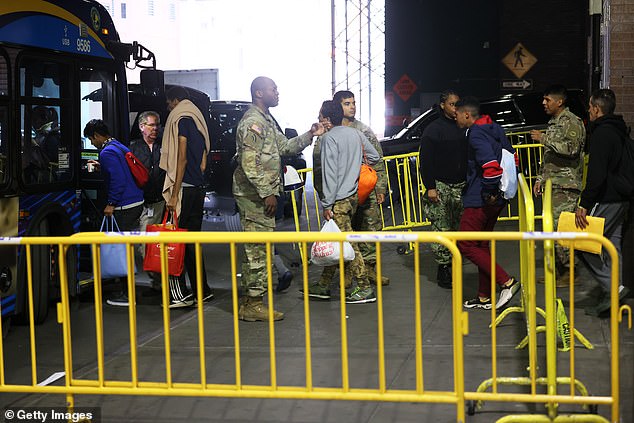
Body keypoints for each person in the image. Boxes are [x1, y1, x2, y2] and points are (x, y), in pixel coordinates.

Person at [233, 76, 324, 321]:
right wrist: (267, 193)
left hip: (261, 195)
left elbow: (284, 148)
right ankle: (252, 304)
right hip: (254, 196)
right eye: (273, 89)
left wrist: (309, 134)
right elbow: (249, 163)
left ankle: (251, 301)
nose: (277, 92)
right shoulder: (253, 122)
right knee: (256, 249)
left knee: (261, 248)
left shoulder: (267, 120)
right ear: (259, 93)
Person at [305, 100, 380, 304]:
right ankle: (323, 285)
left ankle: (364, 288)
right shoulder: (355, 133)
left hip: (337, 199)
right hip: (354, 196)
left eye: (321, 117)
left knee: (347, 243)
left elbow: (329, 174)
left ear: (328, 119)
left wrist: (326, 204)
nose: (319, 120)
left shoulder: (329, 139)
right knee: (336, 239)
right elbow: (374, 157)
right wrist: (354, 169)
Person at [454, 97, 520, 310]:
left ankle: (507, 282)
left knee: (465, 244)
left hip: (481, 197)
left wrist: (489, 191)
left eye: (457, 114)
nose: (455, 117)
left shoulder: (475, 133)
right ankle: (484, 297)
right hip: (499, 197)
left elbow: (491, 167)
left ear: (467, 115)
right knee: (481, 244)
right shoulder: (495, 127)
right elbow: (513, 158)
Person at [575, 88, 631, 316]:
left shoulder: (601, 134)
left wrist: (584, 203)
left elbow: (596, 174)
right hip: (623, 198)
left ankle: (614, 287)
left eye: (590, 107)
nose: (588, 111)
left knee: (583, 243)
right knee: (613, 244)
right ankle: (614, 290)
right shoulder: (620, 130)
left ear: (596, 109)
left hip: (608, 197)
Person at [160, 86, 213, 308]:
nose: (169, 108)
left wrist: (173, 194)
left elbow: (180, 159)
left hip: (184, 189)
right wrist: (199, 169)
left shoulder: (181, 119)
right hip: (198, 188)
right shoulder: (198, 118)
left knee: (174, 242)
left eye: (169, 103)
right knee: (192, 241)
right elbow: (202, 155)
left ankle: (179, 295)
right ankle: (203, 290)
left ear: (174, 100)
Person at [83, 119, 144, 307]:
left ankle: (128, 295)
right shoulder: (117, 145)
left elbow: (118, 180)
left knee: (122, 250)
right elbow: (122, 170)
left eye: (91, 140)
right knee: (125, 248)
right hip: (136, 201)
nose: (92, 143)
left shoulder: (107, 152)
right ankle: (127, 291)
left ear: (97, 136)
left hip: (124, 205)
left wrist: (110, 203)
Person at [530, 85, 586, 286]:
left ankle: (571, 274)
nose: (543, 103)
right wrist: (540, 179)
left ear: (559, 102)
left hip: (566, 185)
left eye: (547, 99)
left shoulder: (571, 122)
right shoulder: (555, 122)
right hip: (554, 183)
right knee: (552, 229)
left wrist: (543, 138)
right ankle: (560, 272)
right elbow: (550, 157)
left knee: (560, 229)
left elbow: (571, 149)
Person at [334, 90, 390, 286]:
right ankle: (348, 272)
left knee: (370, 229)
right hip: (343, 191)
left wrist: (380, 188)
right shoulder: (332, 130)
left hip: (366, 188)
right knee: (346, 232)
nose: (352, 107)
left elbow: (377, 160)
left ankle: (370, 269)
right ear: (337, 106)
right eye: (347, 103)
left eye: (353, 103)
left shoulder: (363, 130)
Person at [419, 90, 467, 289]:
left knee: (459, 228)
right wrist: (430, 187)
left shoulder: (464, 127)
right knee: (442, 228)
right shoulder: (433, 130)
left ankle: (455, 263)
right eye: (452, 104)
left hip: (461, 186)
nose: (455, 108)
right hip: (441, 185)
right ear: (442, 105)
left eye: (458, 104)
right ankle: (444, 268)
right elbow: (426, 161)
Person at [130, 111, 165, 291]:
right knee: (145, 245)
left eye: (157, 125)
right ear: (142, 127)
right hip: (141, 202)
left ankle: (160, 283)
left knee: (159, 244)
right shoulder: (133, 148)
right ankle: (156, 280)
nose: (155, 129)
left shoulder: (163, 146)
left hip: (161, 202)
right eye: (151, 125)